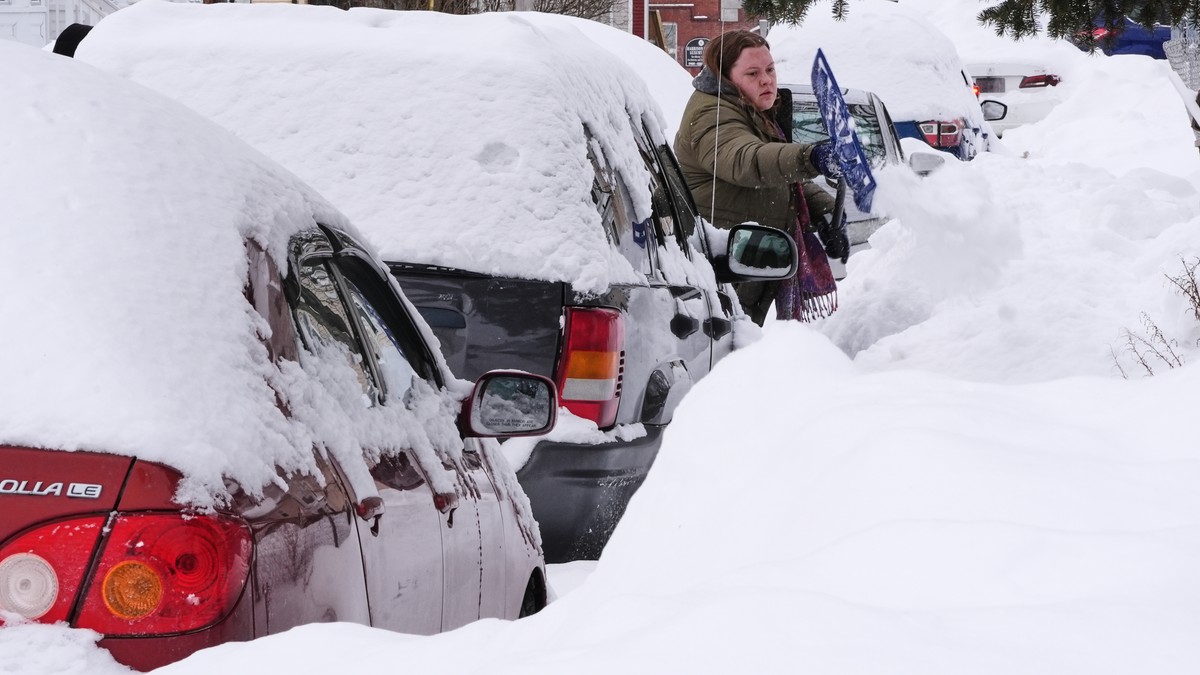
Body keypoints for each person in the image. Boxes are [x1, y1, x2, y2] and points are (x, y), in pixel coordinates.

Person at [674, 29, 848, 325]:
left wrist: (827, 212)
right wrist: (810, 157)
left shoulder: (749, 109)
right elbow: (746, 159)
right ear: (726, 77)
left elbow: (784, 178)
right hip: (719, 277)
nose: (766, 80)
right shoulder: (712, 114)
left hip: (745, 265)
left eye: (769, 69)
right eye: (752, 73)